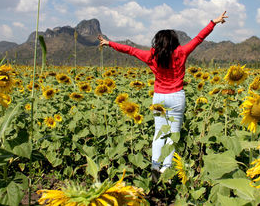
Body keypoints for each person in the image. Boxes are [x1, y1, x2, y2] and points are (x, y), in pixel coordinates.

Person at [97, 11, 228, 178]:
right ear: (174, 41)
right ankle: (166, 169)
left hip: (159, 97)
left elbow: (129, 50)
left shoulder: (151, 55)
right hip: (176, 97)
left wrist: (109, 43)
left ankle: (155, 166)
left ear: (157, 42)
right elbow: (198, 39)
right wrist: (214, 22)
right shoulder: (181, 52)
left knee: (159, 132)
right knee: (173, 135)